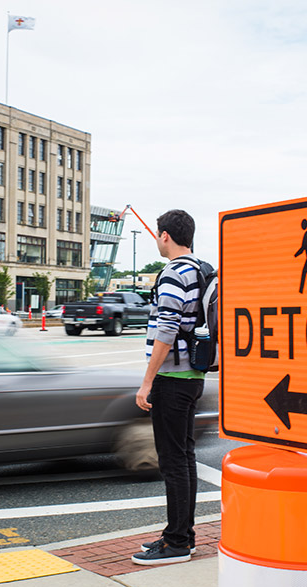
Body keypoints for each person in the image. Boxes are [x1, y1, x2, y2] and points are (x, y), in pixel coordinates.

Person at [132, 209, 205, 565]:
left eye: (157, 235)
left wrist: (147, 382)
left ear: (165, 236)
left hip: (173, 379)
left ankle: (177, 542)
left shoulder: (175, 272)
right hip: (193, 375)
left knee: (174, 462)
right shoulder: (202, 270)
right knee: (185, 459)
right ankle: (181, 534)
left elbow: (167, 327)